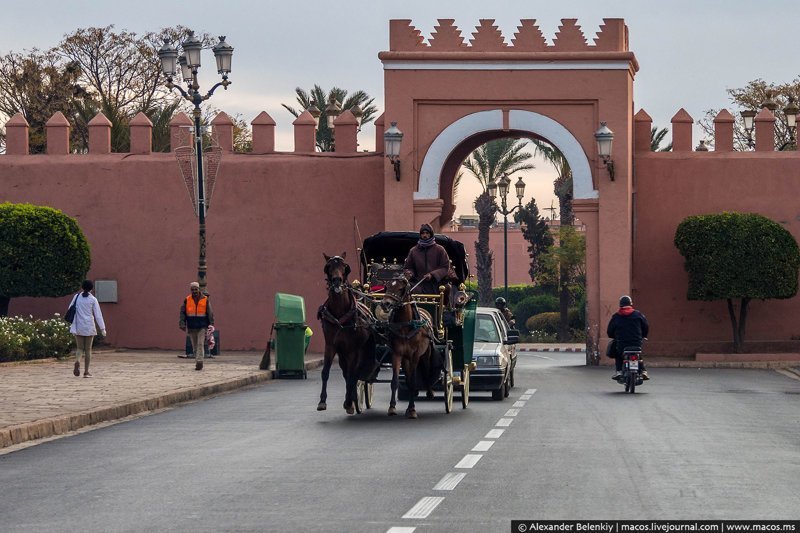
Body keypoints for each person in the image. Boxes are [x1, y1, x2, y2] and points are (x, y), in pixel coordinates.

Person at [69, 279, 107, 378]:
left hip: (78, 326)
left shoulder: (76, 297)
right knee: (88, 349)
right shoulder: (93, 299)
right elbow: (98, 315)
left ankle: (77, 361)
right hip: (89, 326)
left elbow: (70, 309)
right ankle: (86, 372)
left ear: (82, 287)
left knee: (79, 348)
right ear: (91, 289)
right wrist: (102, 328)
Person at [606, 295, 649, 380]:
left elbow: (610, 330)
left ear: (620, 305)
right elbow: (646, 326)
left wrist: (613, 336)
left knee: (618, 355)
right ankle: (643, 371)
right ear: (631, 304)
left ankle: (619, 371)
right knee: (638, 355)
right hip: (636, 343)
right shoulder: (638, 314)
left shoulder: (616, 316)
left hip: (622, 344)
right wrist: (643, 335)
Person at [403, 223, 451, 295]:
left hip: (437, 284)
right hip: (418, 284)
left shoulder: (440, 249)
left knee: (447, 289)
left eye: (427, 233)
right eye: (423, 233)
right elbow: (408, 267)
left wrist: (432, 275)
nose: (425, 235)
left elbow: (445, 267)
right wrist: (409, 273)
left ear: (431, 234)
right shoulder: (414, 250)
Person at [179, 281, 214, 371]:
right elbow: (182, 312)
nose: (194, 291)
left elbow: (210, 312)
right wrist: (182, 323)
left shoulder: (205, 299)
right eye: (192, 289)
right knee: (194, 346)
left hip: (202, 326)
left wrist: (211, 324)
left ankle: (199, 361)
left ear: (199, 289)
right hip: (191, 326)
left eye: (196, 289)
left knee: (200, 344)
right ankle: (197, 360)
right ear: (190, 290)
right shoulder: (187, 299)